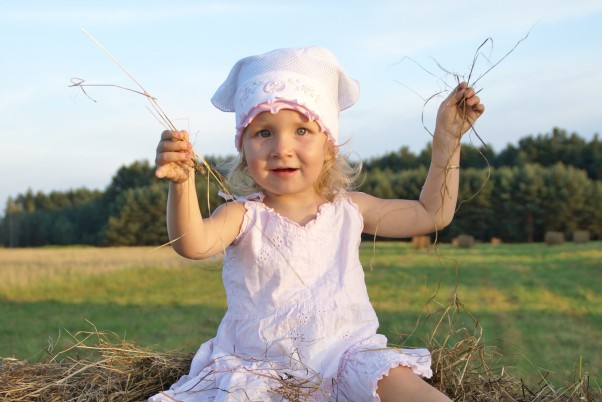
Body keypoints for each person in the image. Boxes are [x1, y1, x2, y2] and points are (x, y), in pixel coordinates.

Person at [150, 46, 484, 402]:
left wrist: (447, 143)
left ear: (329, 145)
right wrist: (182, 183)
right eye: (263, 133)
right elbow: (193, 243)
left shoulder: (350, 209)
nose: (281, 147)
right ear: (243, 149)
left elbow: (431, 214)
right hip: (261, 370)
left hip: (350, 359)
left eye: (302, 130)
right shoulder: (242, 215)